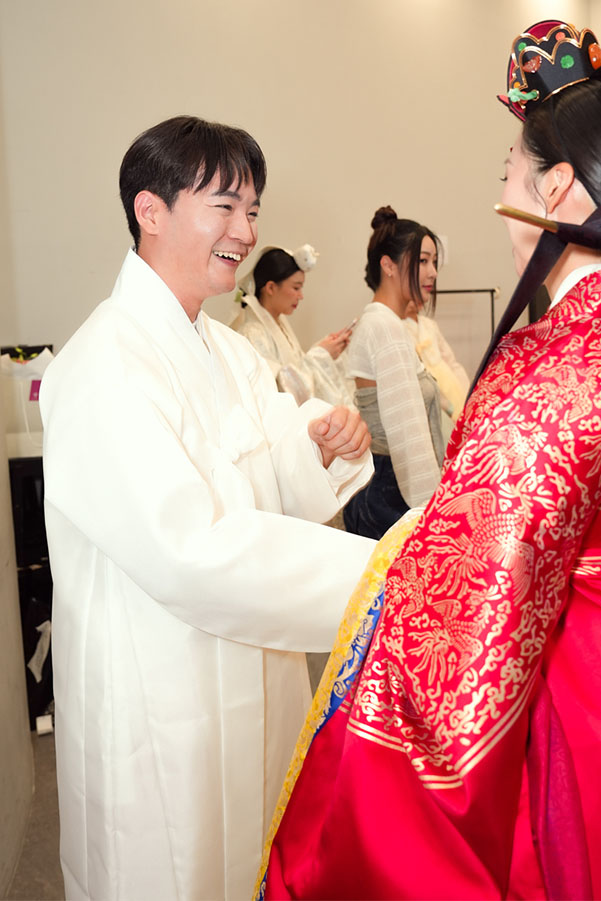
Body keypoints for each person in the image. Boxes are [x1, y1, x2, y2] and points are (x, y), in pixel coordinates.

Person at [257, 20, 601, 900]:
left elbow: (469, 637)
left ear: (555, 188)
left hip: (585, 714)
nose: (500, 192)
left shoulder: (560, 371)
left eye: (508, 170)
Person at [39, 115, 377, 901]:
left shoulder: (229, 348)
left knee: (257, 854)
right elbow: (189, 548)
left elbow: (269, 456)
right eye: (224, 206)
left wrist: (317, 443)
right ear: (150, 210)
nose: (246, 231)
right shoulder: (103, 364)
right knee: (175, 867)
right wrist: (379, 578)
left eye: (252, 210)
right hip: (163, 696)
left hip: (255, 673)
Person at [342, 207, 447, 540]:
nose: (432, 272)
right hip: (391, 492)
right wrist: (431, 515)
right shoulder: (384, 327)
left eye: (434, 262)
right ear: (387, 265)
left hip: (386, 485)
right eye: (422, 261)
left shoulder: (385, 323)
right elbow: (408, 432)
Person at [230, 245, 355, 406]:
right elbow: (281, 386)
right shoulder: (252, 333)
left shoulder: (280, 325)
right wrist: (319, 355)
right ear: (271, 288)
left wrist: (325, 351)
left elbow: (296, 368)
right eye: (296, 287)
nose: (300, 296)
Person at [403, 298, 470, 422]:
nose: (421, 297)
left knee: (461, 417)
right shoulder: (398, 328)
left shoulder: (429, 324)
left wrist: (467, 391)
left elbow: (450, 361)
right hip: (427, 389)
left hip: (449, 383)